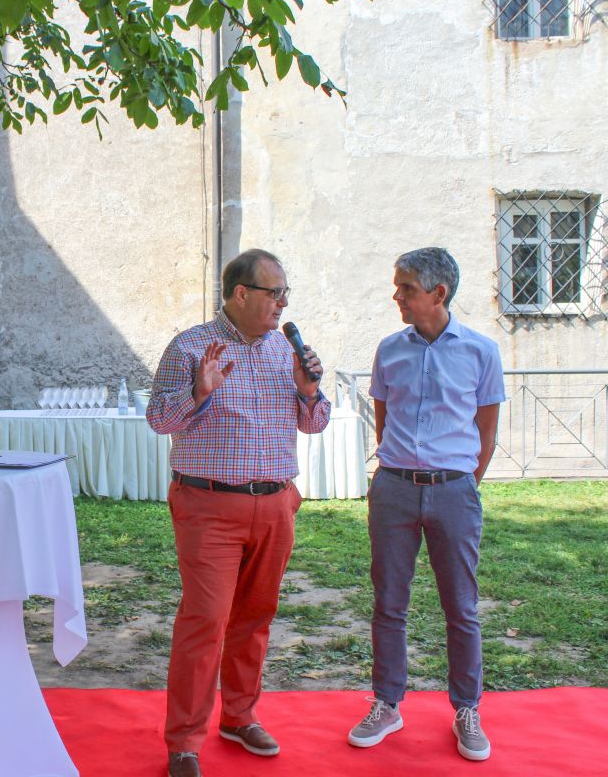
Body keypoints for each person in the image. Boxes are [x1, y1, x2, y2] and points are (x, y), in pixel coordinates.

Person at [147, 249, 332, 777]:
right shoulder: (190, 347)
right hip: (209, 506)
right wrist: (198, 392)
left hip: (275, 503)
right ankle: (184, 742)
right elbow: (159, 419)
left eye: (286, 293)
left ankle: (238, 717)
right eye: (275, 292)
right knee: (206, 620)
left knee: (255, 617)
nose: (283, 303)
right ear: (241, 293)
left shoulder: (285, 351)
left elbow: (315, 423)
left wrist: (308, 391)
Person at [346, 247, 505, 762]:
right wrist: (401, 475)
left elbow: (486, 432)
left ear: (439, 293)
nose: (397, 296)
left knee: (461, 606)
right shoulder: (389, 350)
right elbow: (383, 420)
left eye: (406, 288)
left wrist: (462, 484)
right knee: (389, 602)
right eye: (397, 286)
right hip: (393, 488)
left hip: (455, 491)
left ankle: (467, 709)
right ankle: (387, 703)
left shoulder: (481, 352)